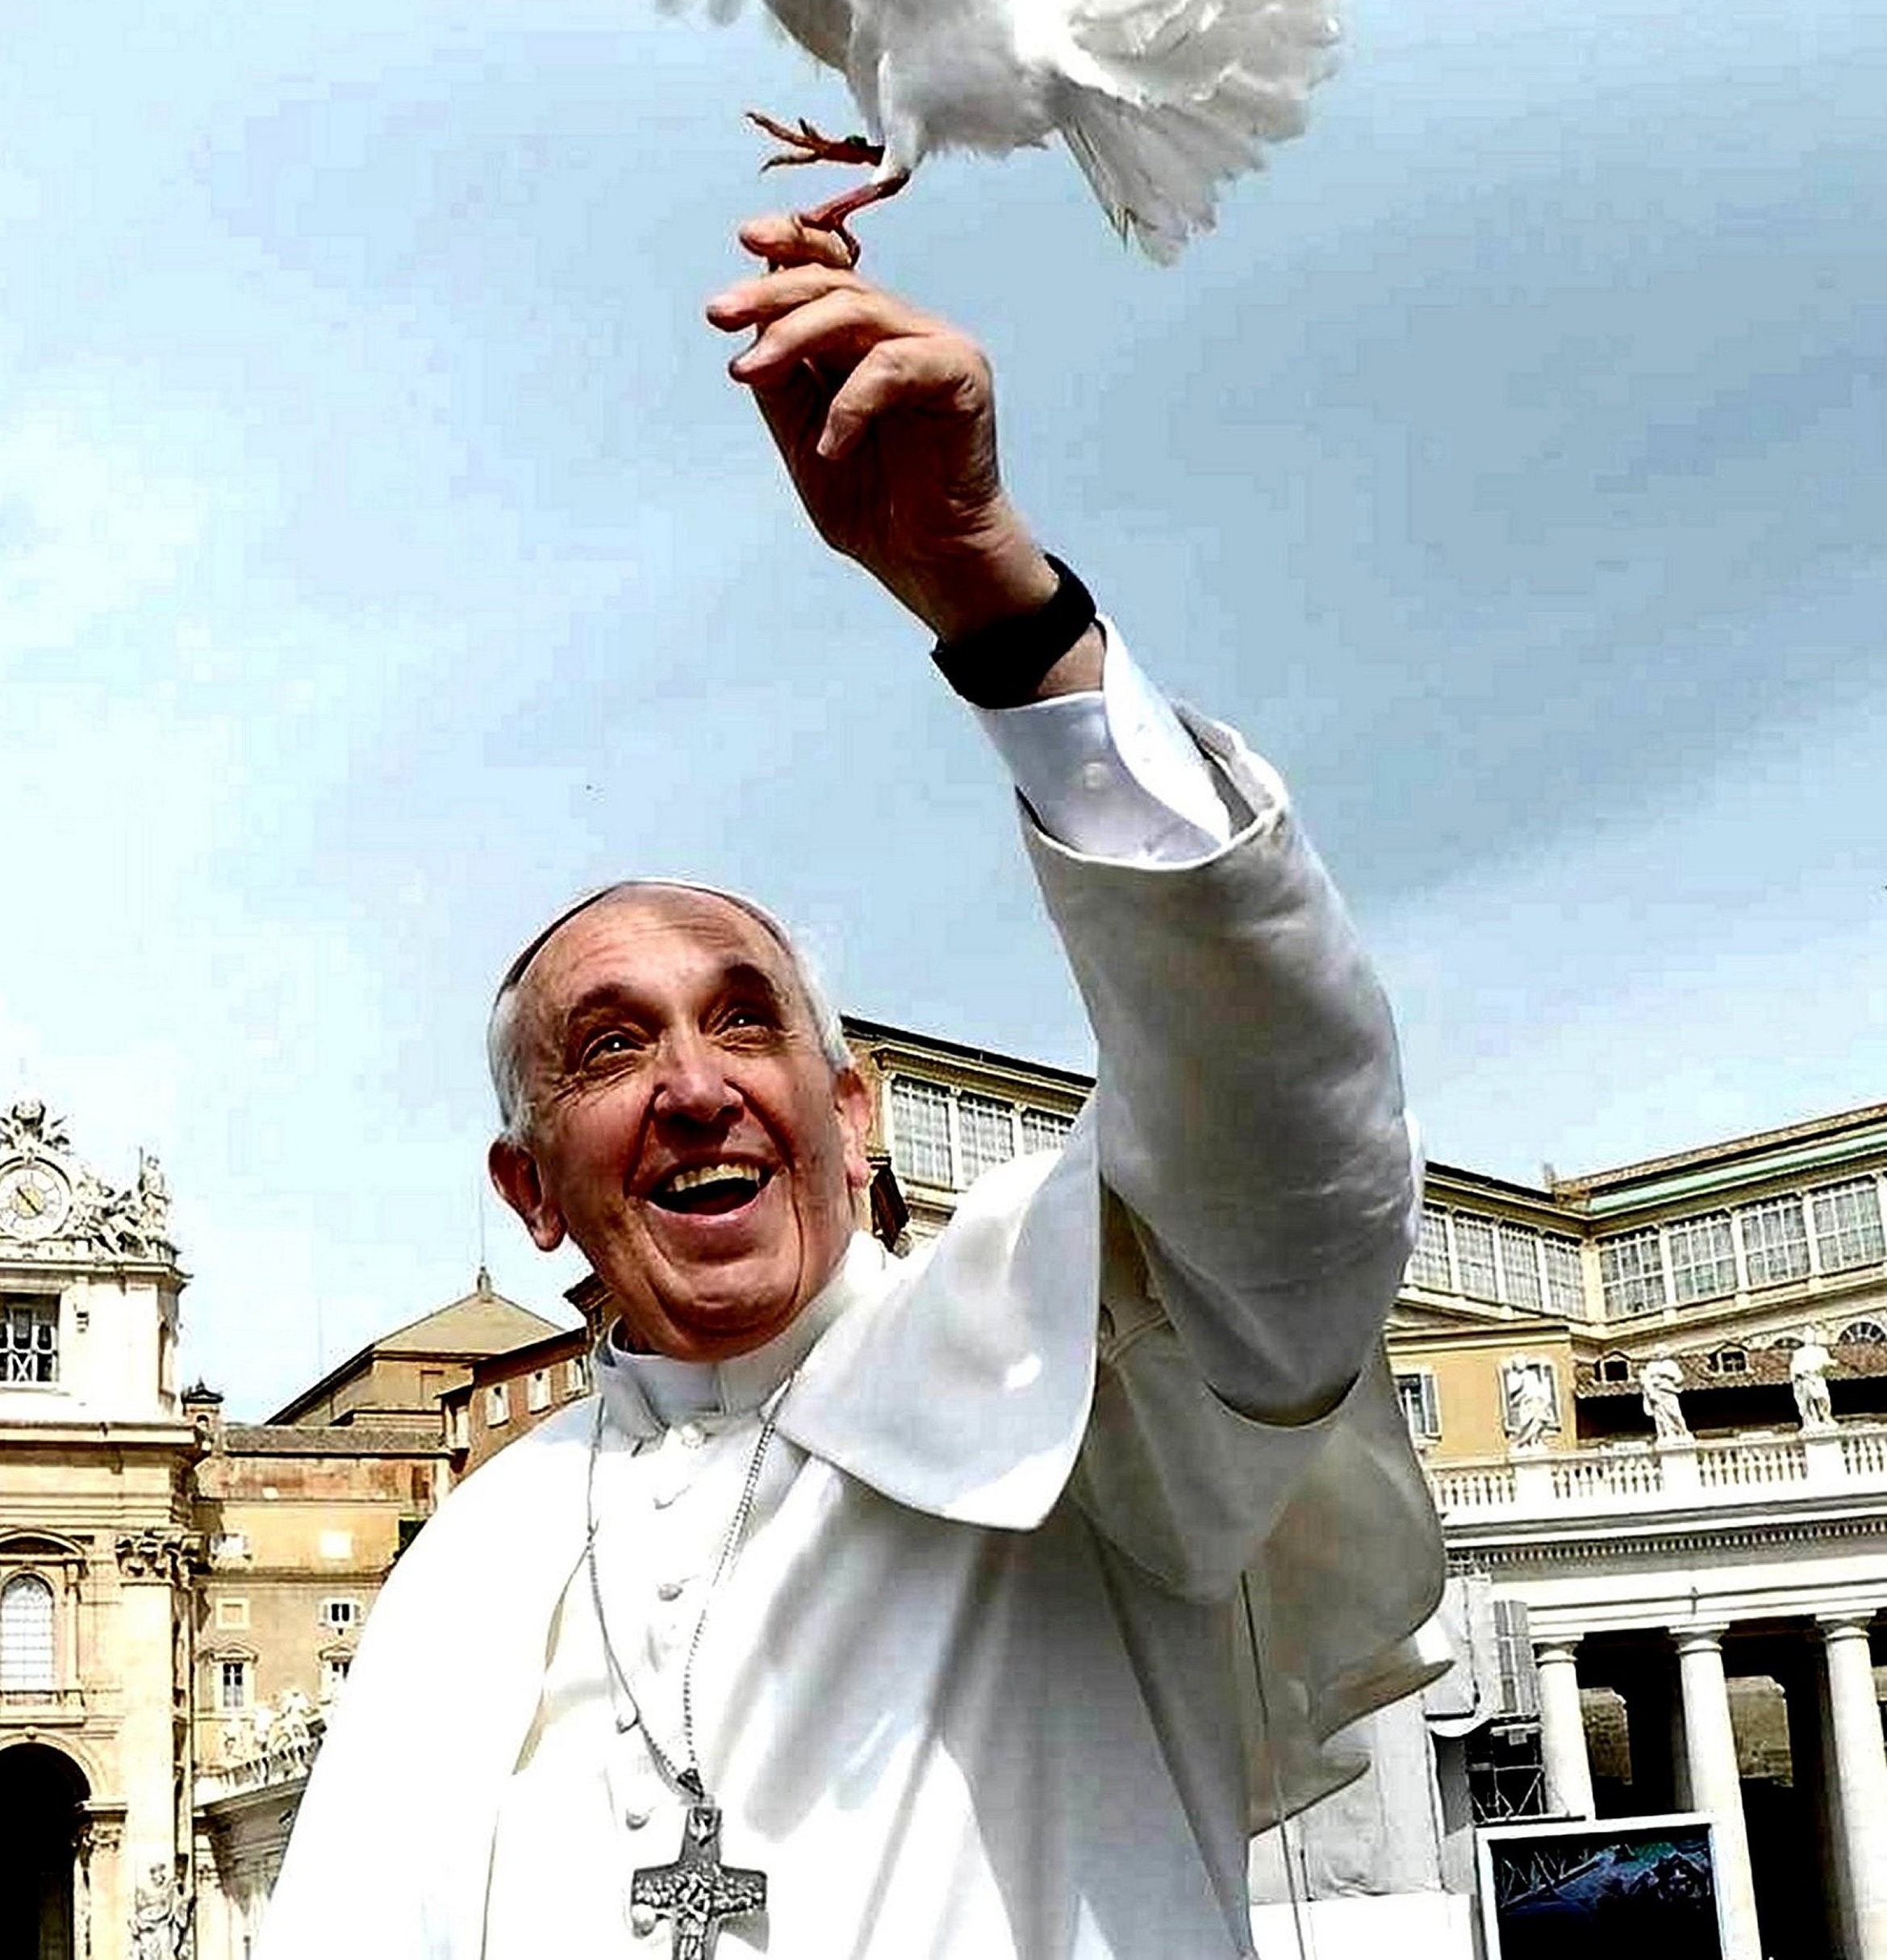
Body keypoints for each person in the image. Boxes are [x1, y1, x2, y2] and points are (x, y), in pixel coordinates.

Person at [258, 217, 1445, 1960]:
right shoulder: (473, 1553)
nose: (691, 1088)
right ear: (530, 1195)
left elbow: (1292, 1134)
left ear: (854, 1113)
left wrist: (997, 609)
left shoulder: (1089, 1371)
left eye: (747, 1026)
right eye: (609, 1049)